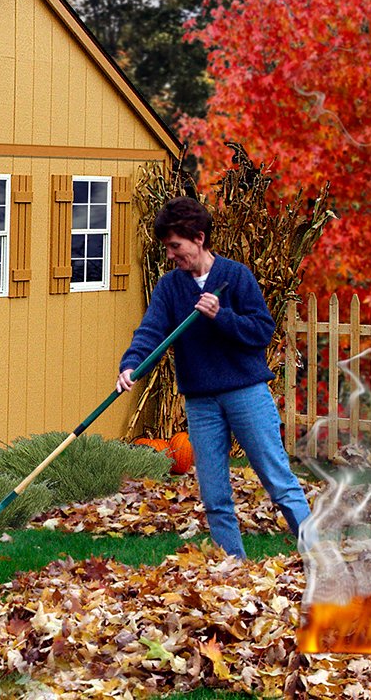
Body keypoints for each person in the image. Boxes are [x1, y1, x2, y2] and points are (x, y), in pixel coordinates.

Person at [116, 196, 310, 558]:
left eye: (176, 246)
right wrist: (131, 365)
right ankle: (233, 568)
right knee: (215, 493)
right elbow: (151, 332)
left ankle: (318, 556)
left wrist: (221, 316)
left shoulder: (235, 277)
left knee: (279, 481)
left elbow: (262, 331)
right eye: (167, 248)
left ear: (199, 238)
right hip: (201, 400)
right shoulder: (171, 287)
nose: (171, 255)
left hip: (245, 392)